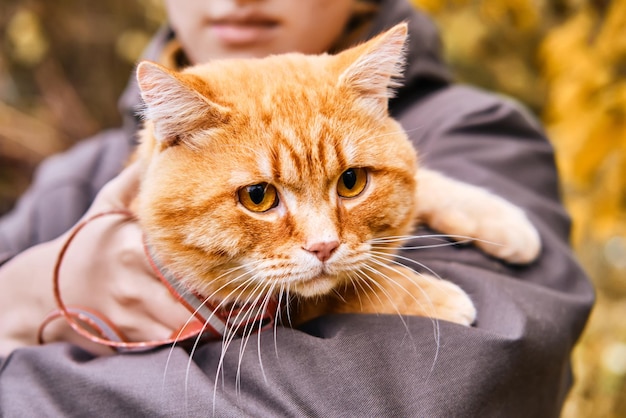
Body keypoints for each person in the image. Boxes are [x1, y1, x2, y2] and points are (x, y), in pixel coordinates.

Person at [0, 0, 594, 416]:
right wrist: (26, 291)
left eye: (352, 180)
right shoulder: (68, 180)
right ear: (170, 136)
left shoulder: (480, 133)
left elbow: (423, 394)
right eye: (259, 196)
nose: (321, 241)